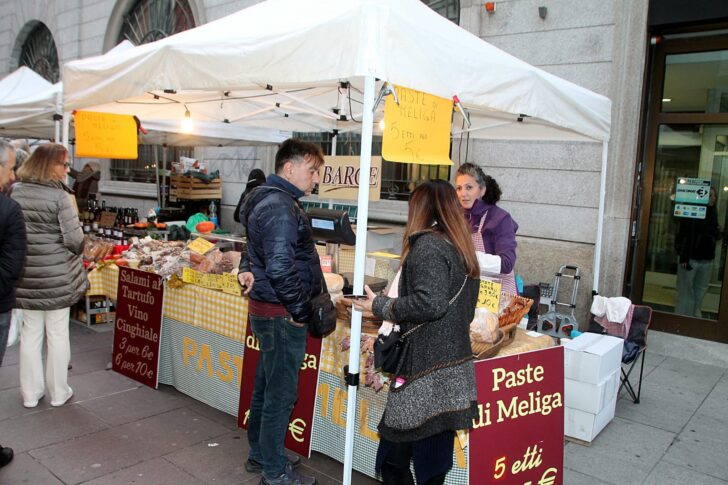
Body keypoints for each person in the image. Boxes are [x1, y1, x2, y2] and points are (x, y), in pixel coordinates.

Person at [353, 180, 480, 485]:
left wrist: (381, 305)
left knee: (395, 458)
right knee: (430, 461)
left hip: (424, 368)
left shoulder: (428, 246)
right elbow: (466, 311)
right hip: (453, 366)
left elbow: (431, 303)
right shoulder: (460, 246)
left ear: (420, 209)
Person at [237, 139, 324, 485]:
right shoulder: (280, 206)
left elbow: (254, 251)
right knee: (281, 393)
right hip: (279, 312)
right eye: (312, 170)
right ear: (290, 168)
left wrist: (246, 266)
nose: (316, 178)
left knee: (266, 385)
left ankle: (262, 455)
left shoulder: (268, 199)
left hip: (268, 308)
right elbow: (279, 266)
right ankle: (274, 472)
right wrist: (301, 311)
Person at [11, 143, 88, 409]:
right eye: (64, 164)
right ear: (49, 165)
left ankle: (30, 394)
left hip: (26, 273)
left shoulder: (16, 191)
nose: (67, 169)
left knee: (30, 333)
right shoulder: (59, 197)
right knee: (56, 333)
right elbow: (75, 241)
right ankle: (58, 392)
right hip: (56, 274)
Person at [0, 139, 27, 468]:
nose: (12, 174)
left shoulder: (12, 204)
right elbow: (11, 265)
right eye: (8, 168)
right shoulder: (8, 209)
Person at [455, 163, 519, 294]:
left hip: (497, 295)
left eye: (469, 187)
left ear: (482, 190)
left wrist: (467, 257)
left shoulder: (500, 218)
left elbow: (507, 263)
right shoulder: (457, 217)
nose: (463, 194)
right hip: (468, 292)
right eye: (459, 188)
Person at [675, 186, 722, 317]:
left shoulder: (713, 213)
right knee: (685, 290)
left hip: (706, 259)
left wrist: (719, 231)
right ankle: (682, 318)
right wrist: (684, 256)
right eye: (710, 195)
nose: (713, 198)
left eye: (714, 196)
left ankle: (694, 317)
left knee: (700, 290)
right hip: (691, 258)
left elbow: (714, 236)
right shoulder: (693, 212)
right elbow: (684, 234)